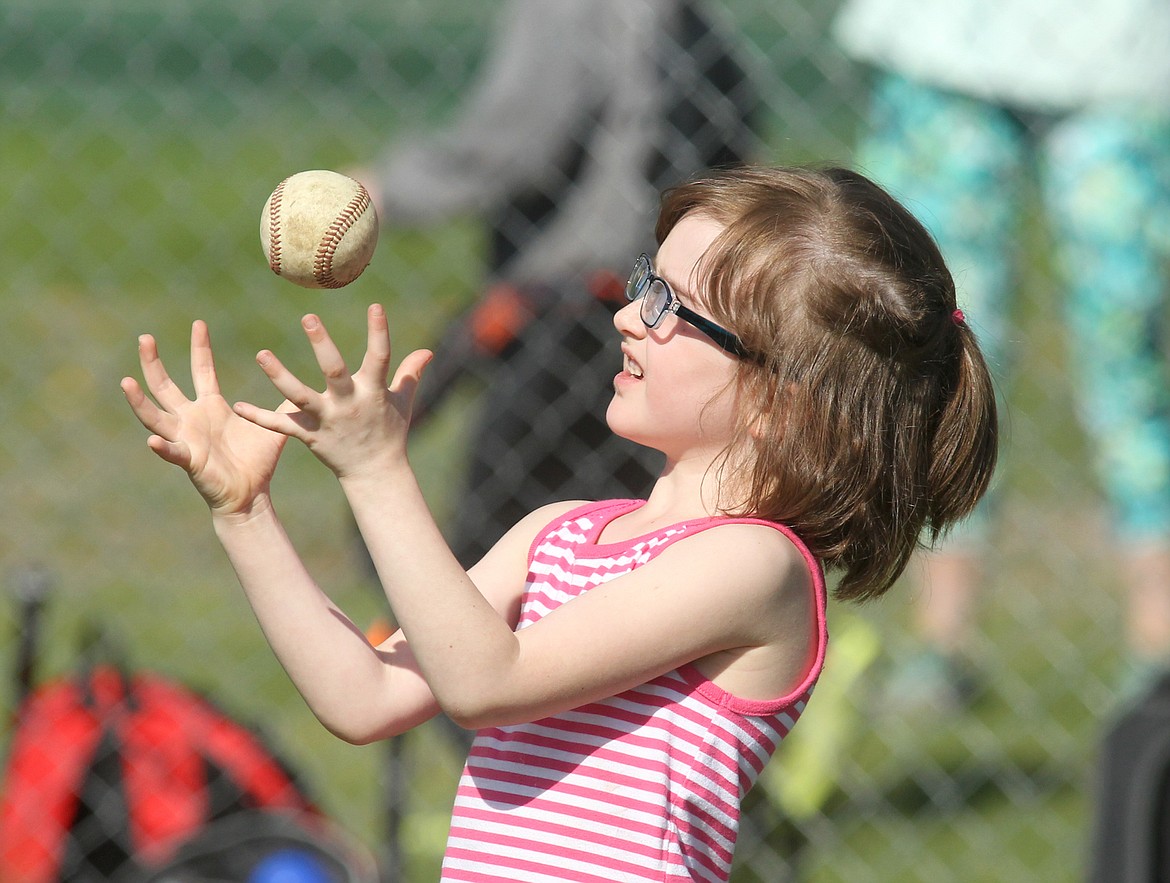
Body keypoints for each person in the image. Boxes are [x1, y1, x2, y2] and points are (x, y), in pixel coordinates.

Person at [121, 165, 998, 881]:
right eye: (644, 282)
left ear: (780, 399)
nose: (627, 314)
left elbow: (487, 681)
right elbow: (368, 694)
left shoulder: (756, 568)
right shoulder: (558, 534)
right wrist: (244, 510)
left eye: (668, 307)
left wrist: (380, 472)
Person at [833, 0, 1170, 707]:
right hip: (944, 44)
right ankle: (939, 644)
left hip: (1127, 53)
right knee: (933, 343)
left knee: (1130, 356)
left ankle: (1159, 646)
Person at [349, 0, 761, 567]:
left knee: (486, 551)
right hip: (663, 315)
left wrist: (386, 188)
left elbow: (520, 138)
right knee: (618, 544)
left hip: (570, 306)